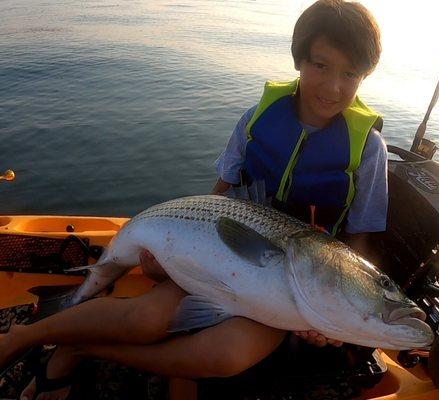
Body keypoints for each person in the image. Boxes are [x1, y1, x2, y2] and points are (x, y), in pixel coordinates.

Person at [0, 1, 386, 399]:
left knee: (227, 355)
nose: (334, 86)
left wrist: (334, 312)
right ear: (299, 60)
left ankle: (82, 348)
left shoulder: (368, 149)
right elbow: (217, 199)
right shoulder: (257, 119)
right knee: (144, 319)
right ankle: (21, 337)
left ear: (364, 76)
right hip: (218, 259)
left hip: (289, 286)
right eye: (320, 66)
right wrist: (171, 258)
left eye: (350, 73)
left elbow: (361, 240)